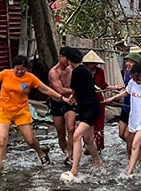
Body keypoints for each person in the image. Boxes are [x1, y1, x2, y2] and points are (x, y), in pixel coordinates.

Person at [0, 54, 68, 170]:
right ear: (13, 67)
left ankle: (41, 152)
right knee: (1, 139)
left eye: (22, 69)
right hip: (4, 110)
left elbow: (45, 89)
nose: (19, 71)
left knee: (30, 140)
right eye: (17, 68)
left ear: (26, 68)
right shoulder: (5, 74)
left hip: (21, 111)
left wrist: (61, 98)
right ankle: (2, 166)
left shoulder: (30, 78)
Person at [61, 49, 102, 180]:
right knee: (88, 139)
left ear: (69, 60)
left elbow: (74, 90)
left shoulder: (77, 71)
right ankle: (97, 161)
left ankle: (74, 169)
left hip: (90, 108)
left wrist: (72, 97)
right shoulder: (85, 70)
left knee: (76, 136)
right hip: (87, 107)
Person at [48, 46, 78, 165]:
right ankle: (66, 152)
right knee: (60, 132)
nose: (68, 62)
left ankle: (71, 154)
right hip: (57, 102)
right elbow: (59, 89)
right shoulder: (54, 72)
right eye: (67, 59)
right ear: (61, 57)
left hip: (70, 103)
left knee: (71, 128)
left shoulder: (72, 69)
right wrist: (74, 90)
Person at [83, 50, 115, 152]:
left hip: (98, 100)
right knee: (87, 124)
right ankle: (87, 144)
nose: (93, 65)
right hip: (86, 101)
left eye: (95, 63)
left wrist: (113, 88)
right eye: (91, 63)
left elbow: (103, 85)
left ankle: (98, 146)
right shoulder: (82, 72)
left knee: (99, 124)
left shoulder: (100, 72)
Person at [117, 52, 141, 158]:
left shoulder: (140, 77)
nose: (128, 64)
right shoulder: (127, 72)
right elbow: (128, 87)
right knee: (121, 134)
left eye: (131, 62)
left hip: (134, 109)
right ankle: (134, 149)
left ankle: (131, 158)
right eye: (127, 61)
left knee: (127, 136)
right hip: (126, 106)